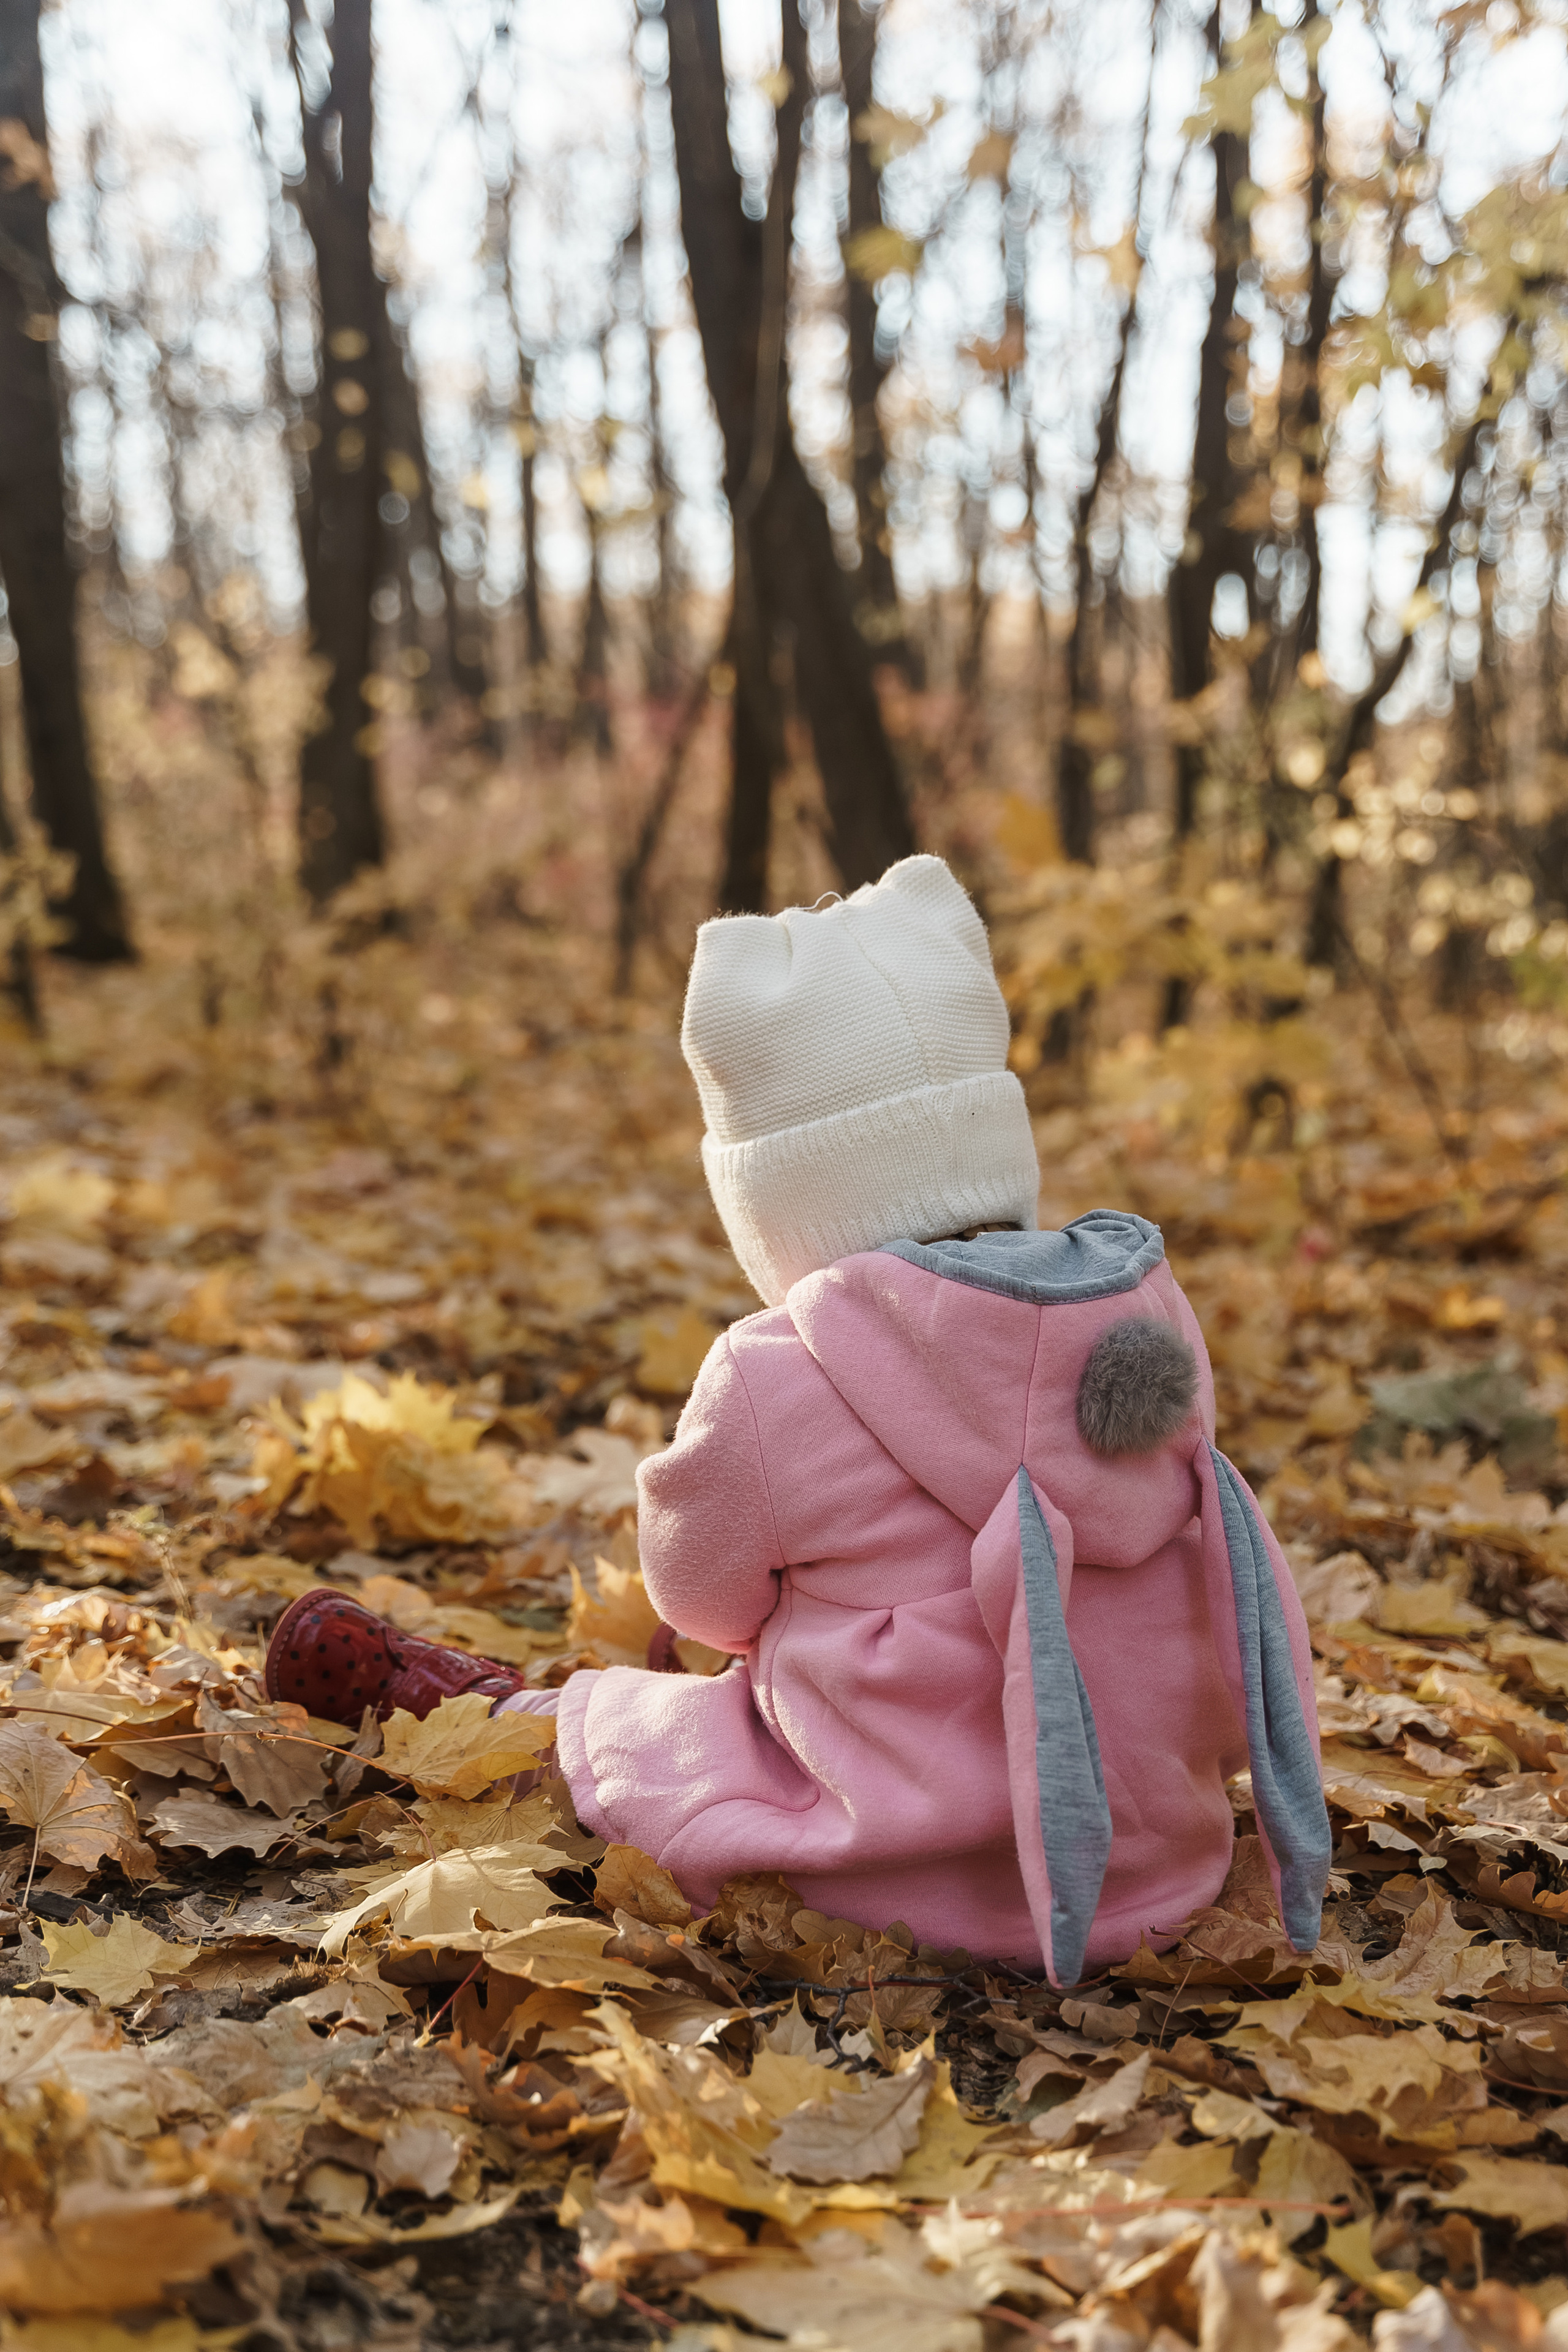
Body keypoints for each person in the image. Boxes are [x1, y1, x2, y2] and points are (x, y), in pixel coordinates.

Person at [266, 856, 1329, 1984]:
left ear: (774, 1205)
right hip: (1149, 1878)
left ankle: (456, 1708)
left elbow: (702, 1599)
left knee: (639, 1734)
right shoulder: (1149, 1331)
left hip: (868, 1865)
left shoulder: (779, 1370)